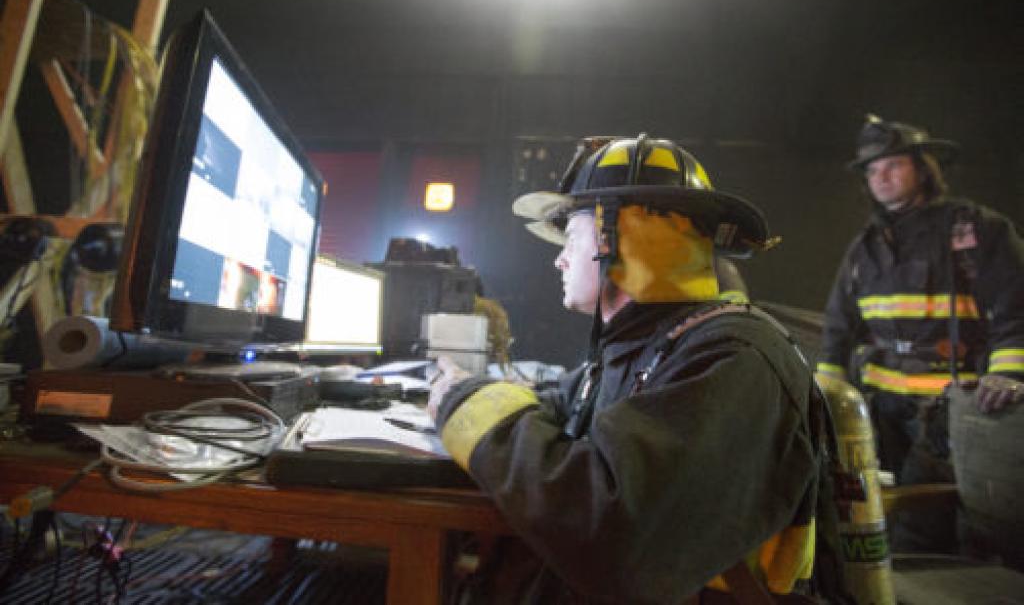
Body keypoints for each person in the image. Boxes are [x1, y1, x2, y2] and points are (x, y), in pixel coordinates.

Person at [428, 134, 835, 604]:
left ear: (623, 236)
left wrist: (462, 404)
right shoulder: (644, 348)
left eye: (572, 237)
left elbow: (609, 532)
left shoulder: (733, 361)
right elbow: (555, 407)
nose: (559, 258)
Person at [816, 114, 1024, 552]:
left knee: (949, 533)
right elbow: (838, 327)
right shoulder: (866, 247)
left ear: (924, 166)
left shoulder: (975, 232)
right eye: (872, 170)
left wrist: (1011, 374)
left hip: (956, 412)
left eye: (892, 165)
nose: (881, 177)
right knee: (889, 520)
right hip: (884, 415)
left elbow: (1014, 310)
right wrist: (828, 395)